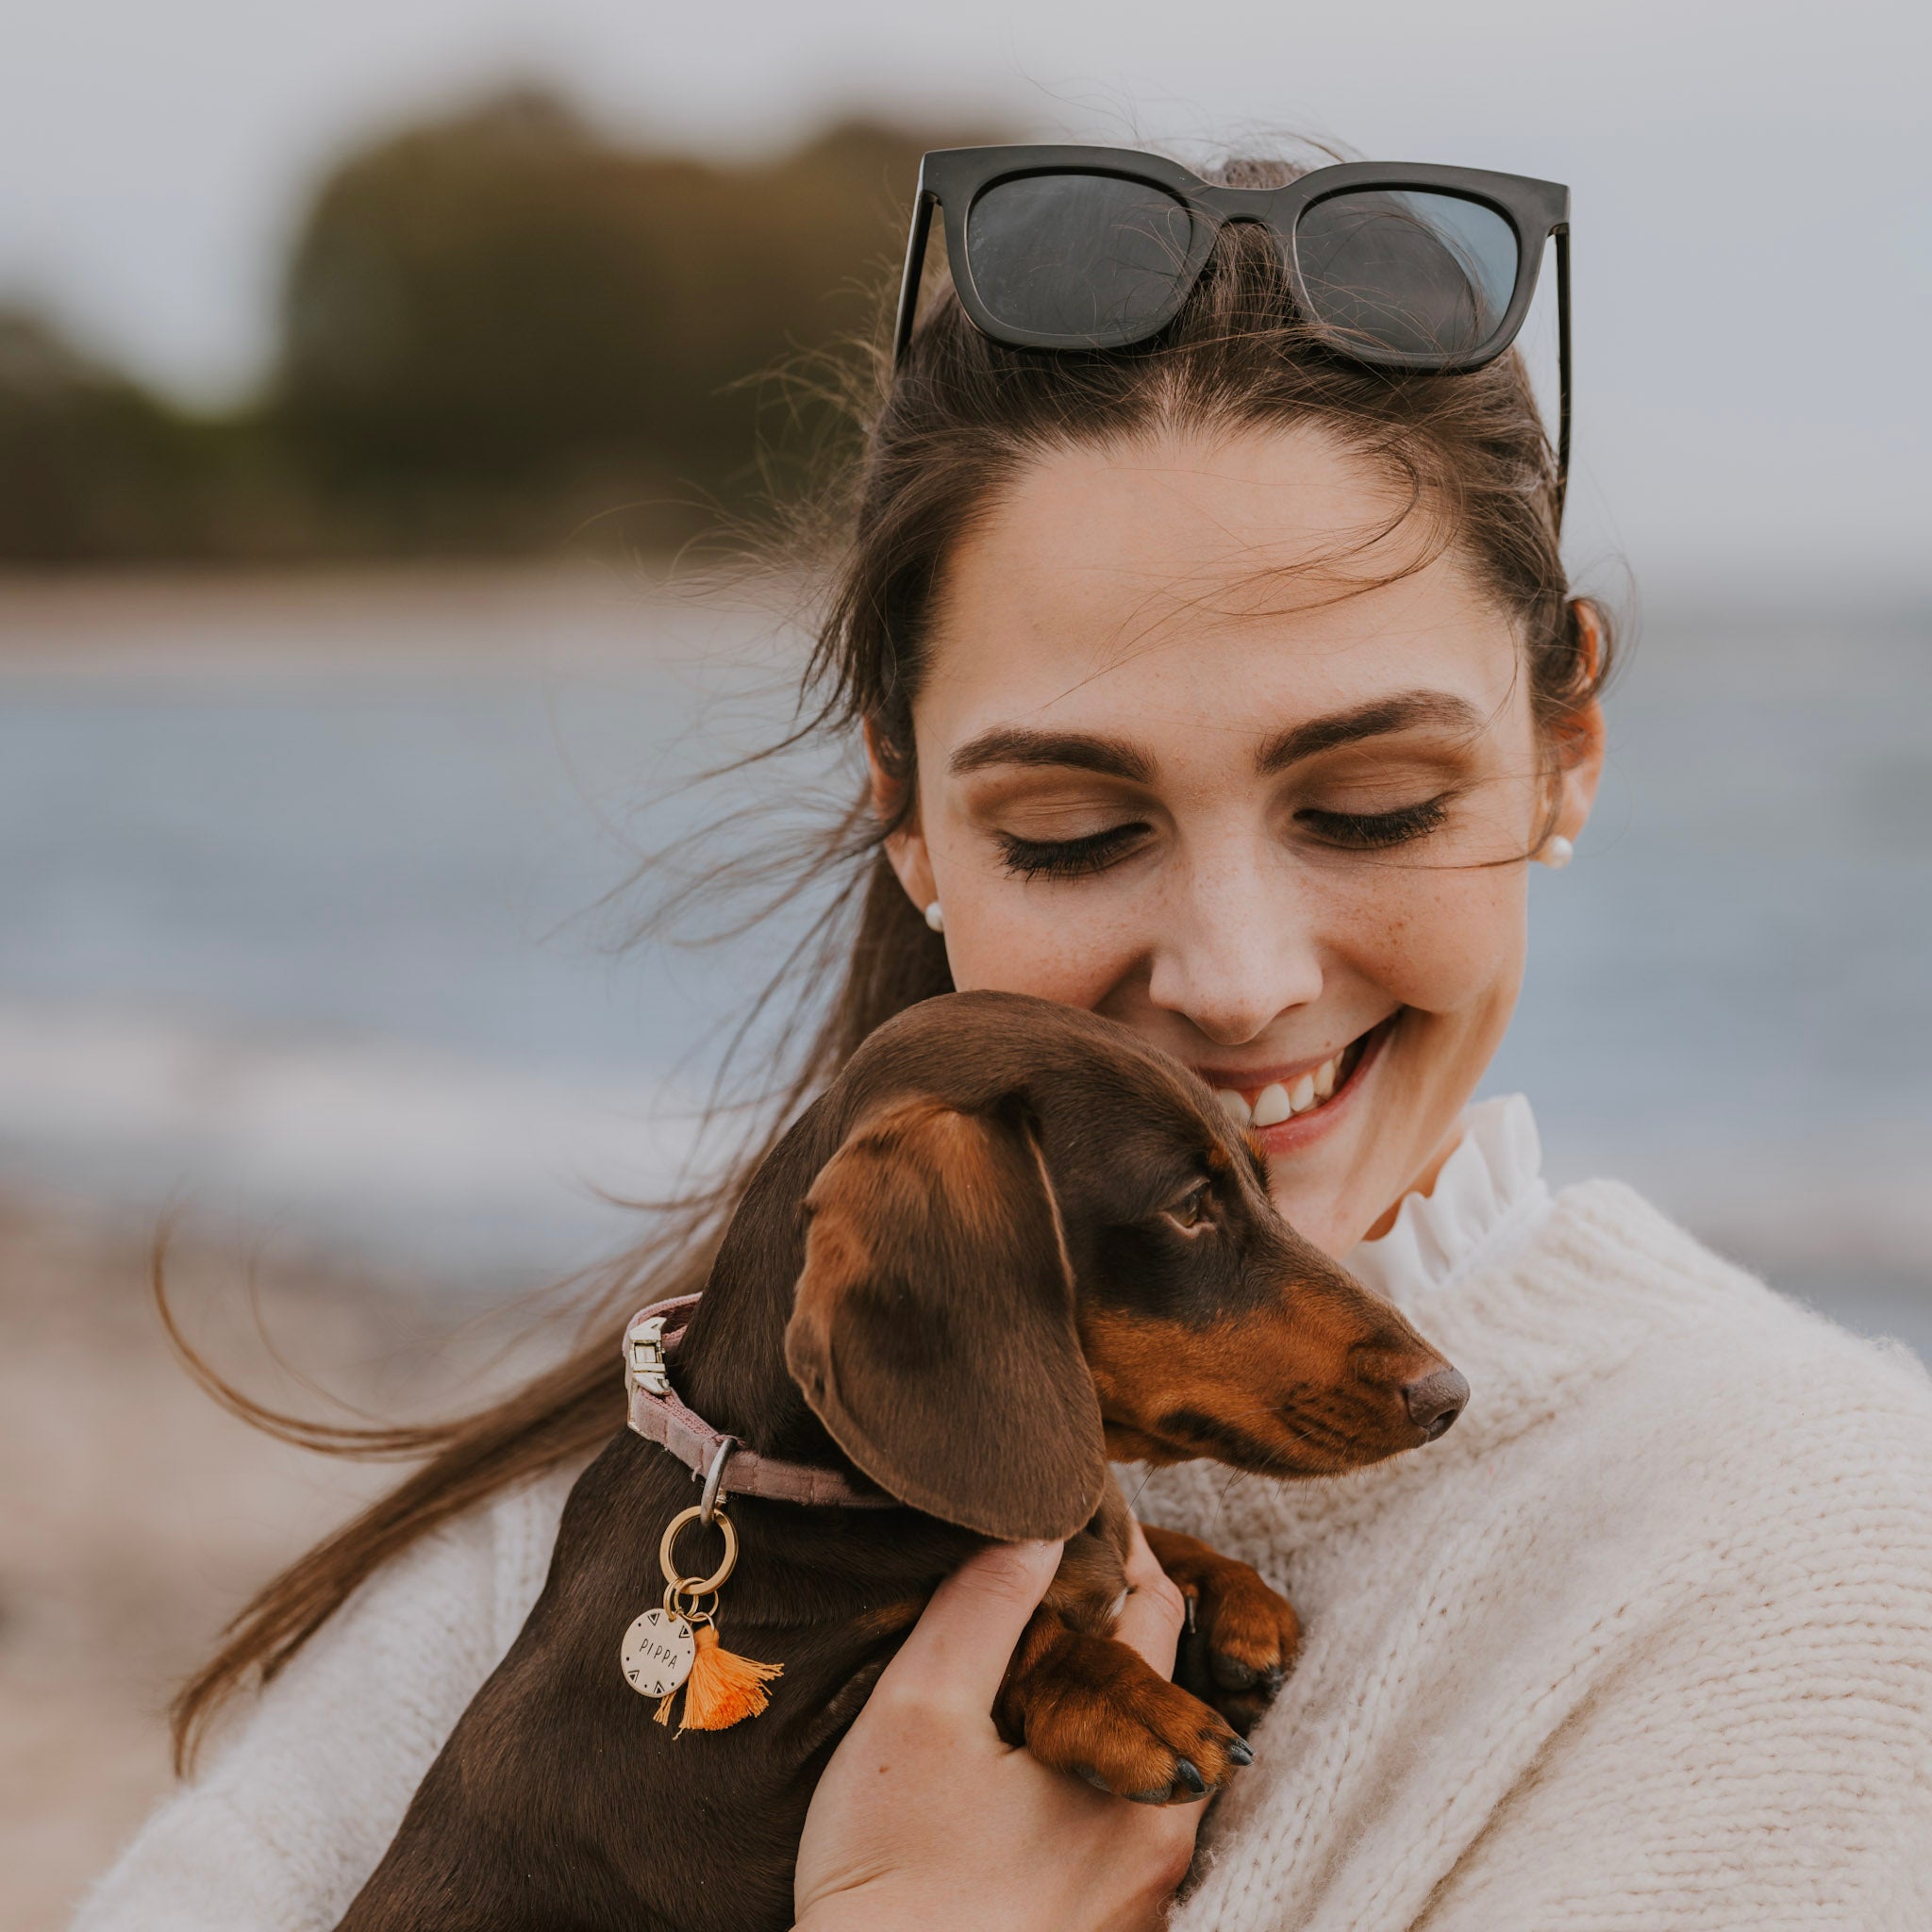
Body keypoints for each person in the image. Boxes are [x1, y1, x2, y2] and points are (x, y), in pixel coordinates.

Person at [75, 147, 1932, 1931]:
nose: (1235, 974)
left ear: (1566, 751)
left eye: (1365, 802)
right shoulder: (628, 1509)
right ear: (908, 813)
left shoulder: (1813, 1561)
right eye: (1072, 830)